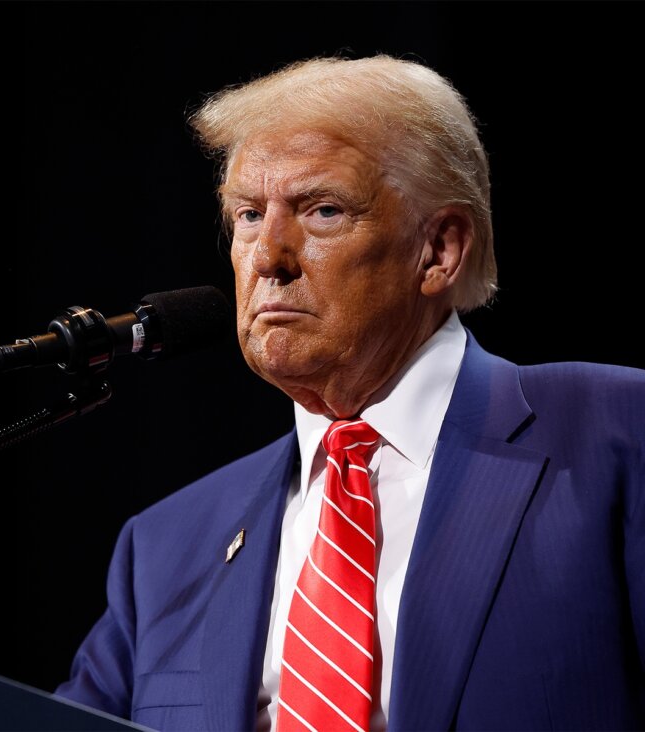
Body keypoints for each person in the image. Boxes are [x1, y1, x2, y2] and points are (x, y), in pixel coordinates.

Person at [56, 56, 645, 730]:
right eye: (248, 215)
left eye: (323, 209)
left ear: (439, 250)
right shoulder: (166, 545)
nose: (267, 256)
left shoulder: (615, 435)